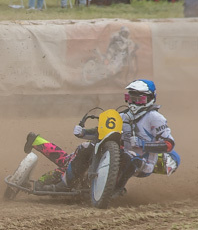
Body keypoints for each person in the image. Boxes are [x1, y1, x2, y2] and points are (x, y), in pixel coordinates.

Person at [24, 79, 177, 192]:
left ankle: (113, 189)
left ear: (150, 99)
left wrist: (143, 145)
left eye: (139, 99)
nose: (134, 103)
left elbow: (169, 144)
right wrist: (84, 133)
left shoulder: (155, 118)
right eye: (130, 99)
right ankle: (57, 183)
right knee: (81, 152)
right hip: (117, 156)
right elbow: (104, 133)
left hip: (141, 161)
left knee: (128, 157)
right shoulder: (123, 116)